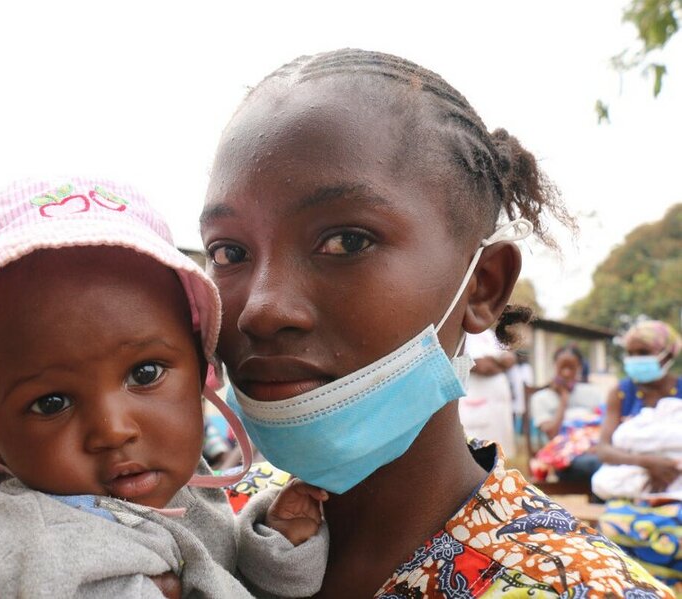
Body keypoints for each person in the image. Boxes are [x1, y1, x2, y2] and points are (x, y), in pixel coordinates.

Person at [200, 49, 673, 597]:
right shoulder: (199, 525)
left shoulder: (571, 586)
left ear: (483, 286)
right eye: (229, 252)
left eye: (346, 241)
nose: (261, 309)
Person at [0, 177, 329, 598]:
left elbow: (216, 570)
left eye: (144, 374)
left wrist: (273, 548)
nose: (113, 430)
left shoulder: (165, 480)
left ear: (200, 366)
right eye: (52, 402)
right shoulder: (50, 552)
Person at [595, 320, 682, 590]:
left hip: (675, 479)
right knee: (612, 529)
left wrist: (670, 466)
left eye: (642, 352)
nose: (634, 360)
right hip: (632, 484)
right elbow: (604, 449)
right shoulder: (621, 392)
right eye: (630, 353)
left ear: (667, 354)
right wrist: (649, 464)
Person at [528, 345, 605, 482]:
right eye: (562, 367)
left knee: (609, 460)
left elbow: (604, 427)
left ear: (580, 367)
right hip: (562, 459)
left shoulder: (594, 393)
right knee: (599, 463)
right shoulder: (540, 398)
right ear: (554, 366)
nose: (566, 373)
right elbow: (552, 434)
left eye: (572, 368)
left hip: (595, 450)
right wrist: (564, 400)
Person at [458, 329, 517, 458]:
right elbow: (483, 367)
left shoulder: (490, 334)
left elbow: (510, 359)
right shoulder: (463, 335)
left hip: (496, 405)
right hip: (475, 403)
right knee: (477, 454)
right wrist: (499, 362)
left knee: (499, 457)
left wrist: (493, 361)